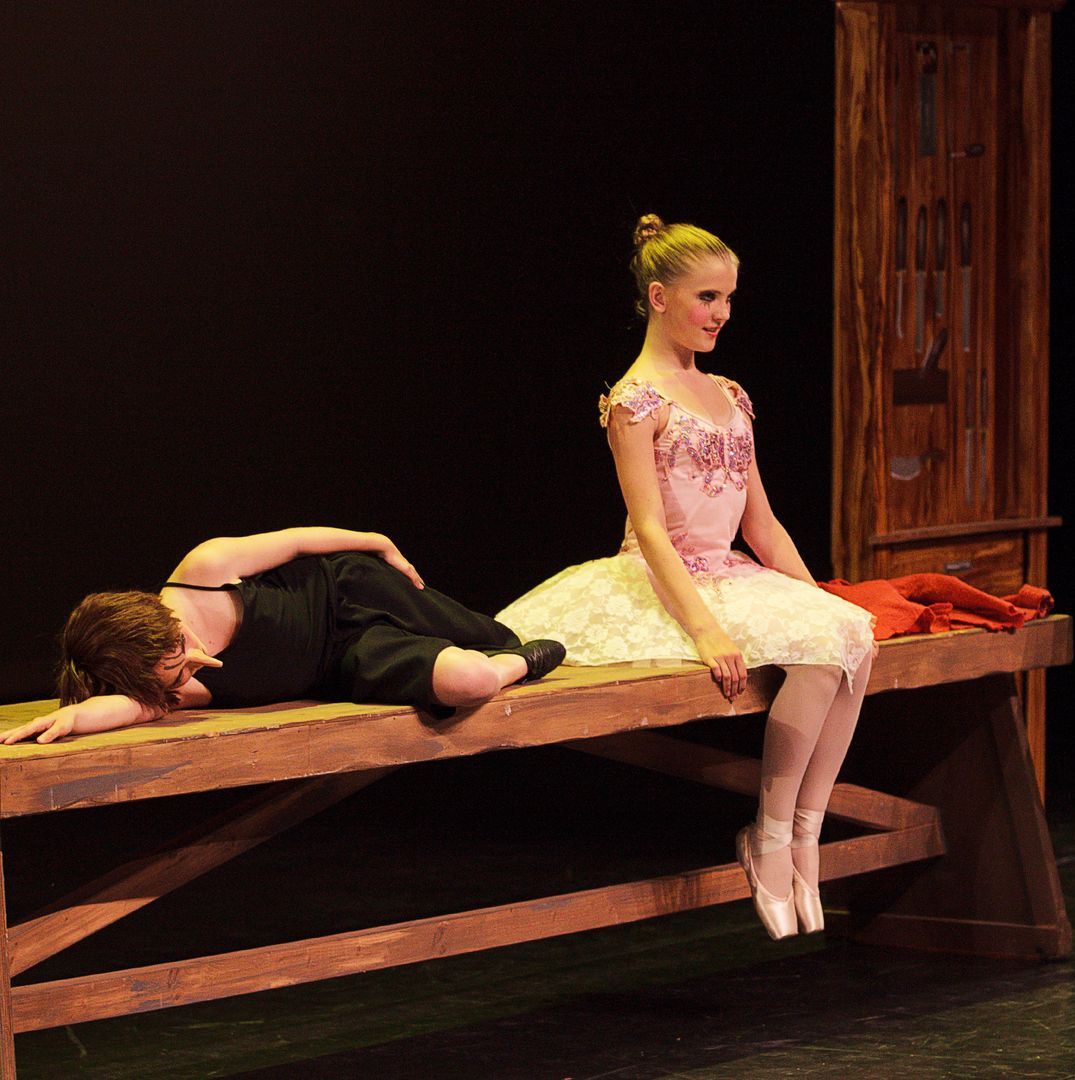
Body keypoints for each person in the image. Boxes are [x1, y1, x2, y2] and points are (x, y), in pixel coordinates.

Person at [495, 214, 876, 940]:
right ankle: (769, 835)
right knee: (824, 653)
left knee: (850, 635)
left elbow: (761, 524)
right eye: (707, 297)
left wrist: (818, 596)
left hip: (729, 571)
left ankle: (804, 832)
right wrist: (705, 632)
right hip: (664, 578)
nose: (721, 313)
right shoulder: (636, 401)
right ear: (659, 296)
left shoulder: (729, 394)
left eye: (728, 298)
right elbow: (648, 529)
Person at [2, 527, 564, 745]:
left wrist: (377, 541)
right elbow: (128, 708)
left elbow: (297, 543)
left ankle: (512, 647)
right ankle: (522, 664)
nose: (195, 663)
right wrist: (73, 717)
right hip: (350, 659)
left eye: (181, 648)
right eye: (178, 674)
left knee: (491, 633)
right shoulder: (166, 687)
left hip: (349, 592)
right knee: (473, 678)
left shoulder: (203, 569)